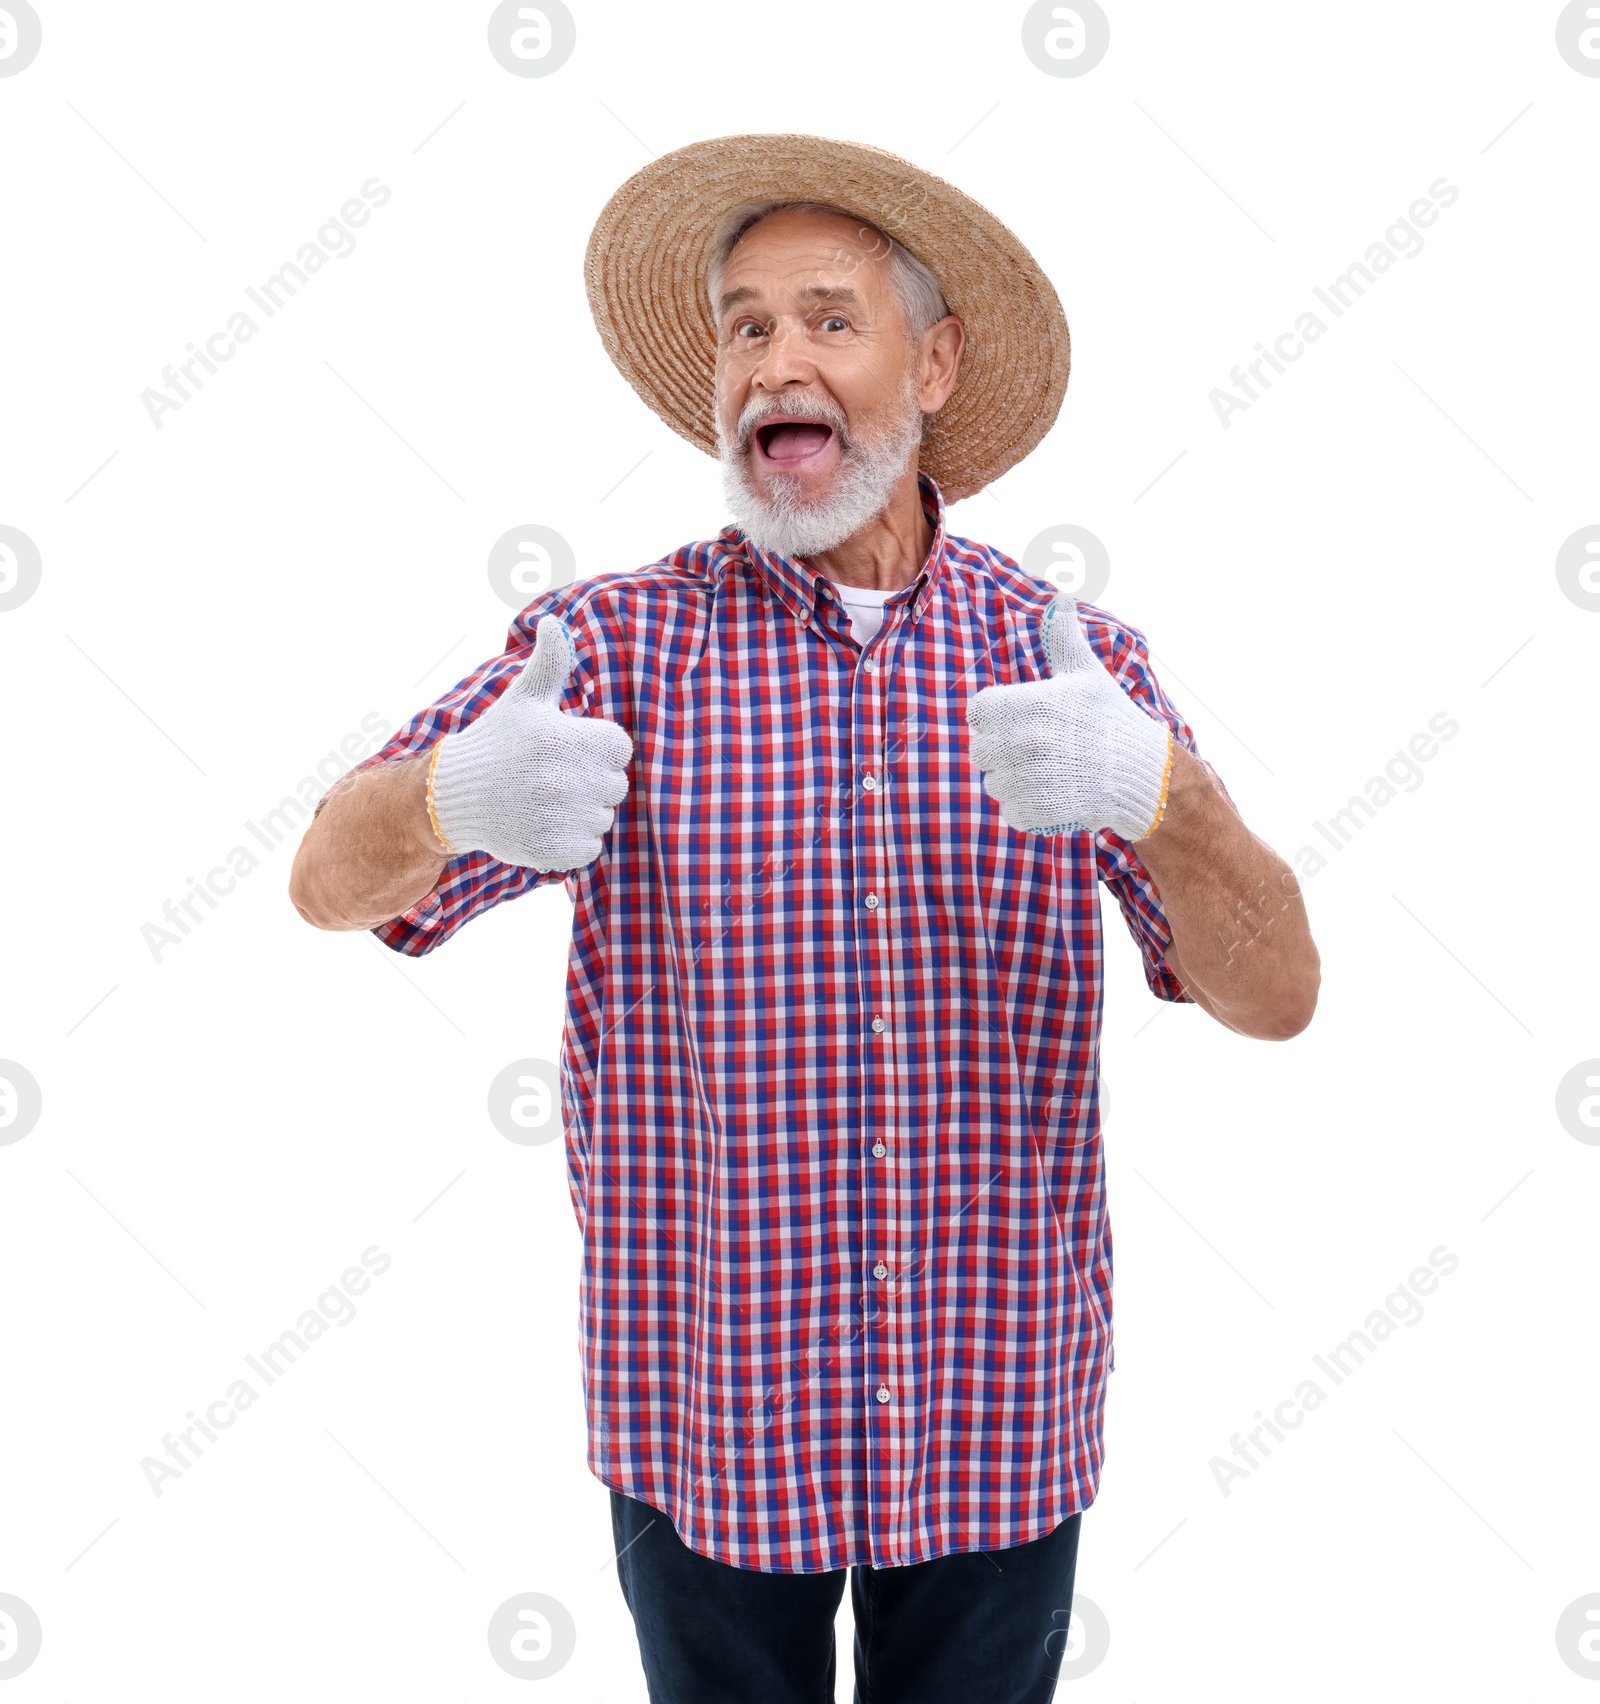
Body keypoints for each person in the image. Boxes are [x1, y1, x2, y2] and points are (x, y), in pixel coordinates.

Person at [289, 133, 1319, 1704]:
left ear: (938, 360)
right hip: (707, 1414)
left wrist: (1160, 794)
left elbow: (1280, 997)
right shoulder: (612, 650)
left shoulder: (1068, 663)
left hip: (996, 1412)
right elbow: (323, 880)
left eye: (831, 318)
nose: (780, 360)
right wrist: (442, 797)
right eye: (747, 327)